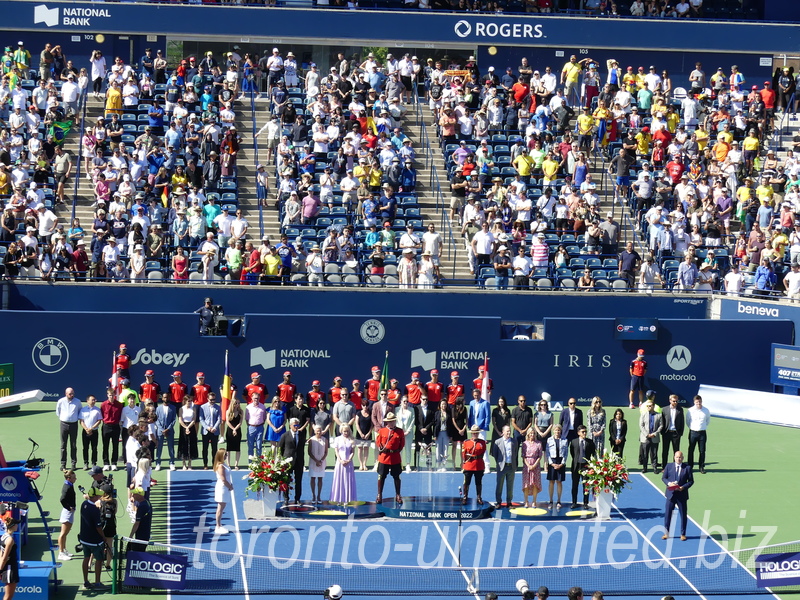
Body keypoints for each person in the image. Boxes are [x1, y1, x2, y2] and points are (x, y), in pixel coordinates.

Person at [79, 488, 109, 591]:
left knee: (86, 558)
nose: (100, 497)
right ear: (94, 497)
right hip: (94, 541)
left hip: (84, 539)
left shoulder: (83, 504)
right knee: (99, 560)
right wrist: (103, 537)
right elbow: (98, 527)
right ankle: (97, 583)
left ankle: (86, 582)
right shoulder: (95, 510)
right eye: (98, 496)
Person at [661, 450, 693, 541]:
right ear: (674, 457)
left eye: (680, 457)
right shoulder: (669, 466)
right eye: (677, 457)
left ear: (682, 458)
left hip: (681, 495)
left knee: (683, 514)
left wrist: (683, 487)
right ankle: (666, 533)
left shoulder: (687, 468)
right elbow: (664, 478)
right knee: (668, 514)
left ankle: (683, 534)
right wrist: (668, 484)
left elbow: (691, 481)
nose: (678, 459)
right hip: (671, 495)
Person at [375, 412, 405, 504]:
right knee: (381, 476)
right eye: (389, 421)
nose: (391, 423)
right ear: (387, 422)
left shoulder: (399, 431)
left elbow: (402, 444)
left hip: (395, 457)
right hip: (384, 457)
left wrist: (395, 451)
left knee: (397, 476)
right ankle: (379, 495)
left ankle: (398, 495)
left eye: (393, 421)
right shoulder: (382, 431)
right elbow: (378, 442)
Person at [277, 418, 306, 504]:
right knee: (286, 480)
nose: (296, 427)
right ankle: (286, 498)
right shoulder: (285, 435)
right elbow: (280, 448)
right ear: (290, 425)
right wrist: (283, 460)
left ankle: (297, 498)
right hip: (287, 462)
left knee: (298, 481)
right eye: (295, 425)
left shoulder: (301, 435)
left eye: (298, 425)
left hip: (299, 462)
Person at [491, 425, 518, 508]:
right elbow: (495, 454)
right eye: (507, 431)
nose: (509, 432)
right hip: (501, 467)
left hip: (511, 467)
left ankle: (509, 502)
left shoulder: (514, 441)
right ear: (503, 432)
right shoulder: (497, 442)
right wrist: (499, 463)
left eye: (509, 431)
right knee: (499, 485)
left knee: (510, 485)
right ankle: (498, 502)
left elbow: (515, 453)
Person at [569, 425, 595, 509]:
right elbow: (572, 453)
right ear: (578, 433)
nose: (584, 433)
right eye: (583, 432)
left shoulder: (590, 442)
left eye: (585, 432)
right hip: (576, 466)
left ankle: (585, 503)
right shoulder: (573, 442)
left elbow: (593, 453)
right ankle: (574, 502)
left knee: (586, 485)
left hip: (585, 466)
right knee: (574, 485)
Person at [330, 425, 356, 505]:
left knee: (347, 480)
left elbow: (352, 452)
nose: (346, 433)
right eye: (344, 431)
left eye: (347, 431)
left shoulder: (351, 440)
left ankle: (346, 499)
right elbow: (336, 451)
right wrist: (340, 460)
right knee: (339, 480)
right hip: (340, 463)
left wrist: (349, 459)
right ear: (341, 431)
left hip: (348, 463)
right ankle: (338, 499)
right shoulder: (337, 439)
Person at [56, 387, 82, 470]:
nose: (72, 395)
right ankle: (63, 464)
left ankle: (73, 463)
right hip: (63, 424)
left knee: (73, 445)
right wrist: (64, 418)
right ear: (66, 394)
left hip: (74, 425)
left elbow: (79, 411)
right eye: (70, 394)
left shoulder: (77, 402)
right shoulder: (61, 401)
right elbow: (58, 411)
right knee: (63, 445)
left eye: (73, 393)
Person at [461, 425, 487, 505]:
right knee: (466, 482)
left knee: (478, 482)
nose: (475, 434)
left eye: (476, 433)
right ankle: (465, 497)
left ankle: (479, 497)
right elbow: (463, 454)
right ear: (471, 433)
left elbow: (483, 452)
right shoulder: (466, 442)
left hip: (478, 465)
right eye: (474, 433)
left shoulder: (482, 442)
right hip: (469, 464)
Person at [686, 395, 710, 474]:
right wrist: (693, 428)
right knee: (691, 450)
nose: (698, 403)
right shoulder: (690, 410)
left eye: (699, 402)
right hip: (693, 432)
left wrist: (702, 427)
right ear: (694, 402)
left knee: (702, 451)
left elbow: (707, 421)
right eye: (697, 402)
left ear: (701, 401)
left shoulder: (706, 410)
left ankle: (701, 466)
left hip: (702, 433)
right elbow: (688, 421)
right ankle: (690, 466)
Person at [661, 394, 685, 471]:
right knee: (665, 451)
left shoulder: (680, 410)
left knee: (676, 451)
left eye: (676, 401)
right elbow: (662, 421)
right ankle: (664, 467)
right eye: (673, 401)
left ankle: (676, 467)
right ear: (670, 401)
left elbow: (682, 422)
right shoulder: (664, 409)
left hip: (676, 433)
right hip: (666, 433)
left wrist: (680, 433)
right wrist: (662, 432)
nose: (675, 402)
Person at [546, 424, 568, 508]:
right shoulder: (549, 440)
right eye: (555, 430)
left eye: (558, 430)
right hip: (552, 462)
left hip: (560, 462)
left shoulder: (565, 440)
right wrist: (551, 463)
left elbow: (566, 453)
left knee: (559, 482)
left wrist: (562, 463)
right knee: (551, 482)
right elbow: (547, 453)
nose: (557, 432)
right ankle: (551, 501)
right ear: (553, 431)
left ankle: (559, 500)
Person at [212, 449, 233, 535]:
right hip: (222, 488)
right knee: (220, 508)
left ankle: (219, 525)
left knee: (221, 507)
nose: (226, 456)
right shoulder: (220, 466)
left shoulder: (223, 464)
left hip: (224, 487)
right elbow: (223, 479)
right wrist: (230, 487)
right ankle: (218, 526)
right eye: (224, 455)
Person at [57, 470, 77, 562]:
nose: (75, 479)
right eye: (74, 478)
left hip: (69, 512)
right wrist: (69, 508)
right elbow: (62, 499)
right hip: (67, 513)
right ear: (69, 478)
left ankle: (64, 550)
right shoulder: (67, 487)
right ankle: (61, 553)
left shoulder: (70, 485)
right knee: (63, 534)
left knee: (65, 533)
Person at [639, 400, 664, 473]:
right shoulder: (643, 414)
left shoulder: (659, 415)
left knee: (654, 453)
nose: (648, 407)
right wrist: (647, 434)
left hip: (654, 437)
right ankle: (645, 467)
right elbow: (641, 425)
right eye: (647, 406)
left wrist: (654, 434)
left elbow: (661, 426)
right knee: (645, 454)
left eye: (650, 406)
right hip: (645, 437)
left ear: (653, 406)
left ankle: (655, 467)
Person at [78, 395, 102, 471]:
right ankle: (86, 463)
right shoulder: (83, 410)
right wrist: (86, 429)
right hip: (85, 432)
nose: (94, 401)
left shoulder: (98, 410)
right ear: (87, 401)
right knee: (85, 448)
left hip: (94, 431)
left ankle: (94, 463)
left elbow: (99, 421)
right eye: (92, 400)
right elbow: (81, 421)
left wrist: (91, 428)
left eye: (94, 400)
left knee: (94, 448)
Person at [521, 429, 543, 508]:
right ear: (528, 434)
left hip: (535, 466)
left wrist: (534, 465)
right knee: (526, 484)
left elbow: (540, 456)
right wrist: (528, 465)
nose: (532, 435)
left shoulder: (539, 443)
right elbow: (523, 456)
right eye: (530, 433)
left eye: (533, 433)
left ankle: (534, 501)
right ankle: (526, 501)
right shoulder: (524, 444)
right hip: (527, 466)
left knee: (534, 484)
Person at [307, 425, 328, 504]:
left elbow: (326, 452)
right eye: (317, 431)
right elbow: (309, 452)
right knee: (313, 478)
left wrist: (321, 460)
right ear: (314, 431)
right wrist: (316, 461)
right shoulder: (311, 440)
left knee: (320, 479)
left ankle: (319, 496)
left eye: (320, 430)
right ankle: (313, 496)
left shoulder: (325, 440)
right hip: (313, 462)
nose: (318, 432)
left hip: (321, 462)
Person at [155, 394, 176, 471]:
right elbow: (156, 420)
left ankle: (172, 463)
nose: (166, 398)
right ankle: (158, 463)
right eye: (164, 397)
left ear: (169, 398)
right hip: (160, 431)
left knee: (171, 447)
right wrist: (161, 429)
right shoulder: (158, 408)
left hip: (170, 431)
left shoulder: (173, 408)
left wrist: (168, 429)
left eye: (167, 397)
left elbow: (174, 420)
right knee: (159, 447)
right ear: (162, 398)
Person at [0, 517, 20, 599]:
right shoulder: (10, 540)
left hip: (8, 567)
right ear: (13, 526)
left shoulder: (3, 536)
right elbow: (5, 557)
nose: (17, 526)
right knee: (8, 596)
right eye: (16, 524)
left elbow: (1, 553)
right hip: (10, 568)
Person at [200, 393, 221, 469]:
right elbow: (201, 419)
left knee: (214, 449)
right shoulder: (203, 407)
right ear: (207, 399)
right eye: (211, 400)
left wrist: (214, 427)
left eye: (214, 400)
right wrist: (207, 427)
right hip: (206, 431)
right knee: (205, 448)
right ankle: (205, 464)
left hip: (215, 431)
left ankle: (214, 464)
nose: (212, 401)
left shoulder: (218, 407)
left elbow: (219, 419)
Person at [127, 487, 152, 552]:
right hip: (145, 534)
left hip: (141, 536)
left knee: (137, 554)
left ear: (139, 495)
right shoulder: (147, 502)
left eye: (134, 494)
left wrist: (130, 536)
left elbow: (137, 523)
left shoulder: (142, 507)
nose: (132, 495)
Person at [177, 396, 197, 470]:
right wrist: (185, 427)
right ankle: (184, 464)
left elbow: (194, 419)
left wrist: (189, 427)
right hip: (183, 427)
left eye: (191, 400)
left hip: (191, 427)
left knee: (190, 445)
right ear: (185, 401)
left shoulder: (193, 409)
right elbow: (180, 420)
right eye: (188, 401)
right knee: (183, 444)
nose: (190, 402)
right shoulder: (181, 409)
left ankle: (189, 464)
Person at [224, 397, 244, 469]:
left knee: (237, 448)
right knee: (229, 448)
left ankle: (236, 464)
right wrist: (233, 429)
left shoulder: (241, 412)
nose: (238, 404)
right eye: (236, 403)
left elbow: (240, 422)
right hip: (230, 431)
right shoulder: (228, 411)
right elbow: (227, 422)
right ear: (233, 404)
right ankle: (228, 464)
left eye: (239, 403)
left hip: (238, 430)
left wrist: (235, 429)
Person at [245, 393, 266, 459]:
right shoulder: (248, 407)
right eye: (254, 398)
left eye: (257, 398)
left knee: (259, 445)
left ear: (259, 398)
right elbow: (246, 418)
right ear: (252, 398)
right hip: (251, 427)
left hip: (260, 427)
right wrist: (250, 425)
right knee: (250, 445)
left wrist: (260, 424)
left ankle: (259, 462)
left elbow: (264, 417)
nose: (256, 400)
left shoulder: (263, 406)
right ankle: (250, 462)